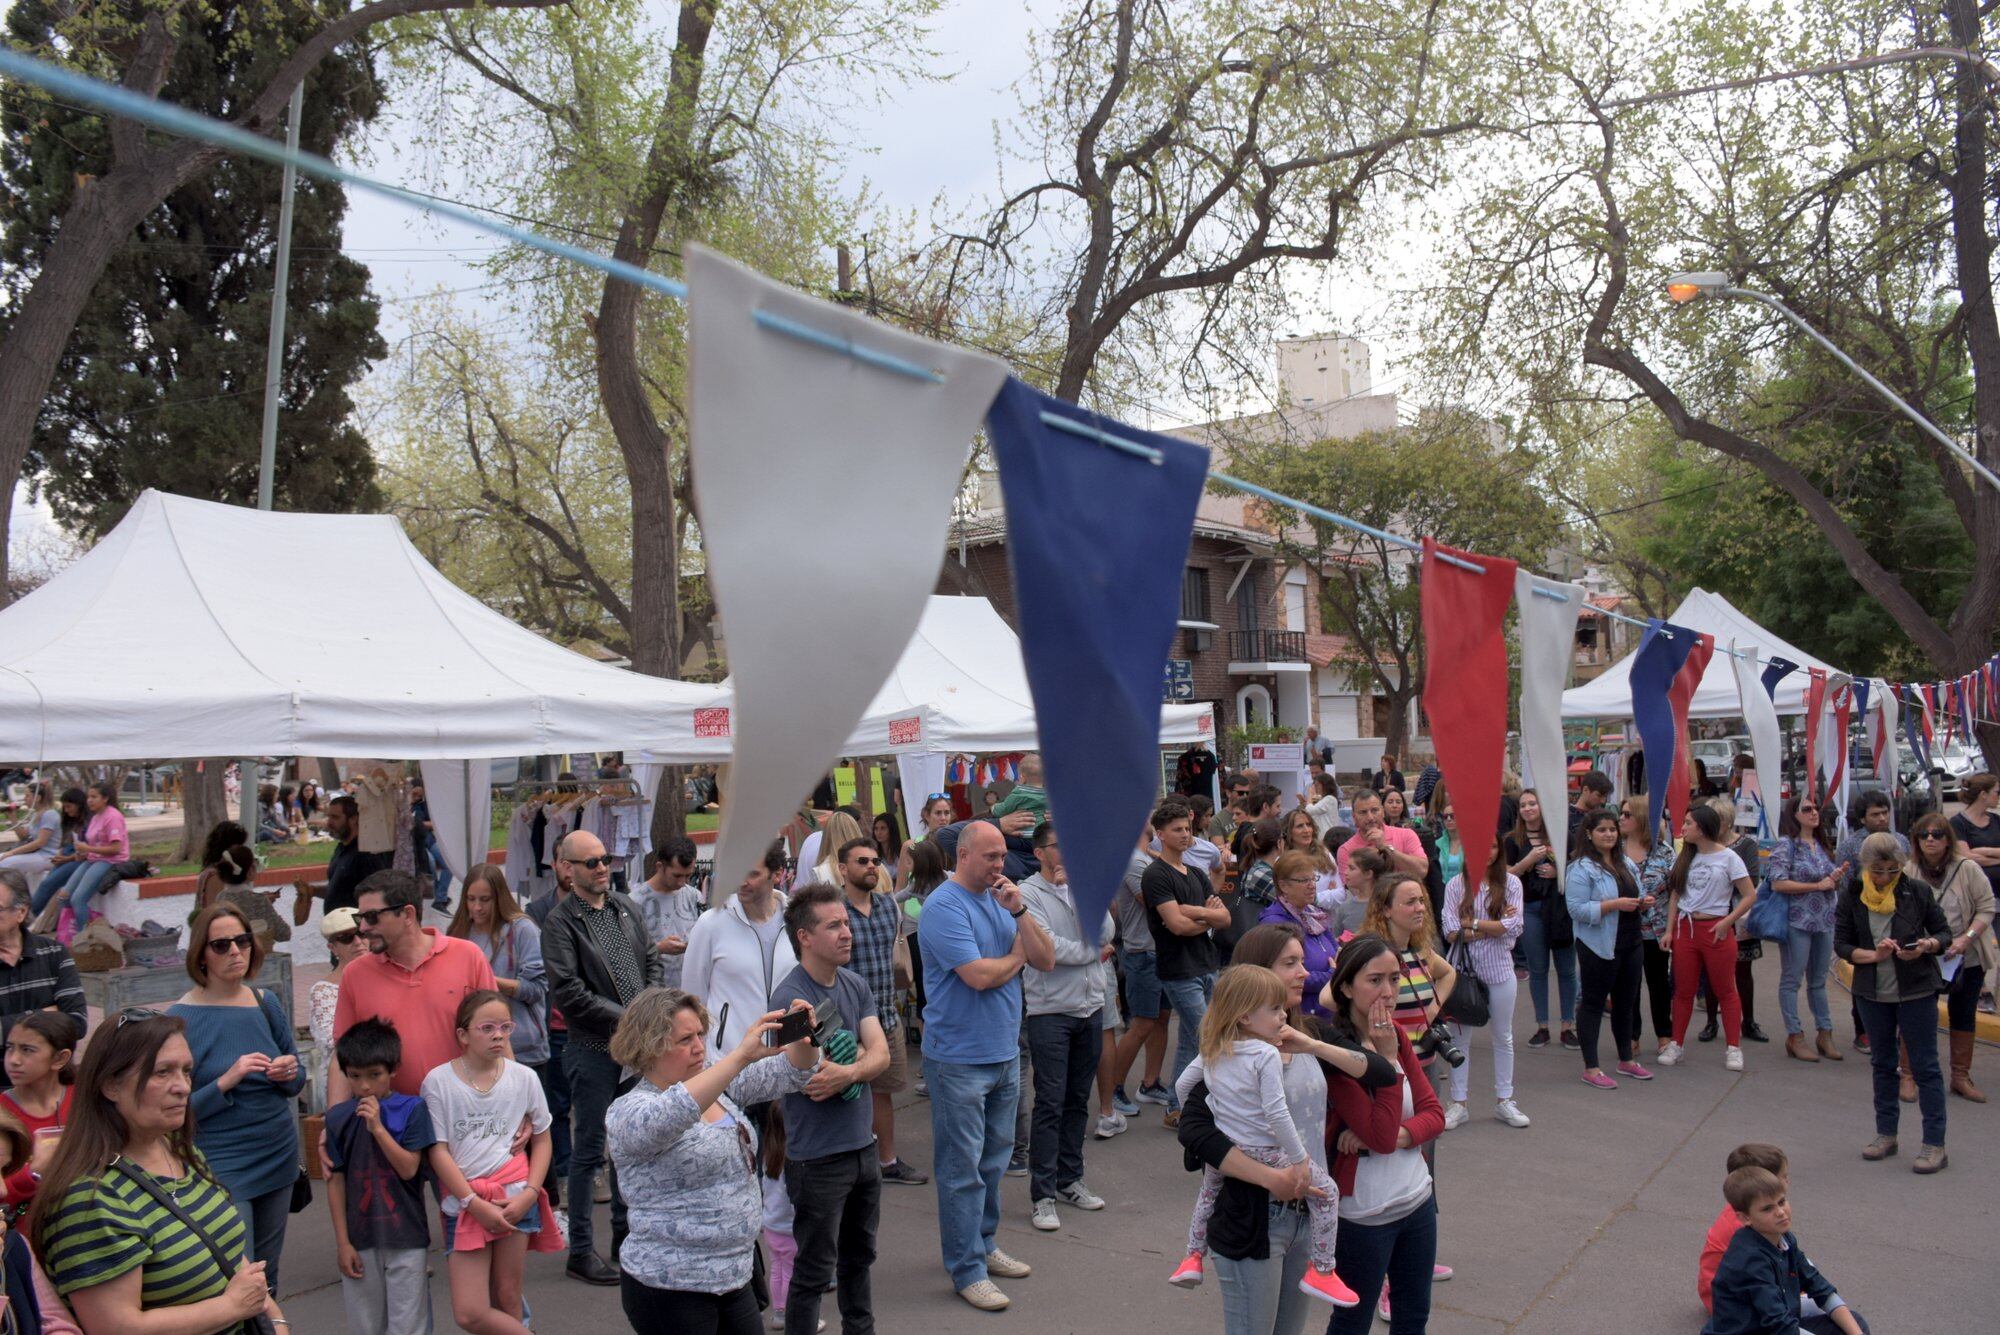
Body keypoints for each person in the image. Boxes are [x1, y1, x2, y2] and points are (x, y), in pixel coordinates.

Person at [32, 1012, 283, 1332]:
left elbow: (229, 1254)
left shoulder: (178, 1149)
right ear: (110, 1084)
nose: (182, 1087)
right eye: (162, 1072)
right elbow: (116, 1327)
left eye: (186, 1071)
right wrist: (230, 1307)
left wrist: (275, 1320)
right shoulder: (88, 1199)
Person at [604, 988, 818, 1334]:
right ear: (650, 1046)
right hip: (672, 1286)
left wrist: (804, 1036)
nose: (698, 1046)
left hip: (733, 1276)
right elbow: (675, 1111)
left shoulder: (719, 1085)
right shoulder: (630, 1110)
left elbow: (793, 1071)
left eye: (700, 1034)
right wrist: (740, 1057)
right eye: (685, 1039)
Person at [916, 820, 1053, 1312]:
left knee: (993, 1162)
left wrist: (1019, 914)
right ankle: (966, 1268)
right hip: (957, 1058)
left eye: (1002, 857)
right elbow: (976, 976)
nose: (1001, 865)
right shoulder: (943, 906)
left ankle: (984, 1244)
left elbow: (1046, 958)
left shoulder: (1003, 900)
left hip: (1003, 1052)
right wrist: (1016, 957)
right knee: (961, 1169)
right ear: (964, 855)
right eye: (991, 856)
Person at [1168, 964, 1357, 1307]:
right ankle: (1323, 1270)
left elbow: (1183, 1085)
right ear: (1244, 1017)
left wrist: (1217, 1109)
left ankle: (1192, 1258)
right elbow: (1276, 1111)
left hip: (1229, 1148)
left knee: (1208, 1195)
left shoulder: (1214, 1049)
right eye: (1274, 1009)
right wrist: (1299, 1158)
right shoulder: (1265, 1053)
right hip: (1266, 1150)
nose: (1283, 1015)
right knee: (1327, 1192)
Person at [541, 828, 665, 1284]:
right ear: (567, 869)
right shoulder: (560, 923)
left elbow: (651, 958)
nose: (600, 867)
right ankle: (580, 1252)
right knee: (589, 1151)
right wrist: (632, 1018)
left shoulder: (625, 907)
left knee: (630, 1147)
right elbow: (569, 994)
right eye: (590, 861)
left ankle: (622, 1237)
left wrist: (648, 1008)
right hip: (593, 1049)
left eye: (605, 859)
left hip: (634, 1049)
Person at [769, 882, 890, 1334]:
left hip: (863, 1148)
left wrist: (852, 1068)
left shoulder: (854, 984)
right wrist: (855, 1060)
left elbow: (881, 1056)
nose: (847, 932)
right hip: (817, 1159)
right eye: (834, 925)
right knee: (815, 1274)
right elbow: (810, 1076)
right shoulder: (790, 998)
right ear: (805, 936)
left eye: (846, 923)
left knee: (859, 1261)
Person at [168, 903, 307, 1294]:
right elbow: (173, 1111)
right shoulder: (181, 1018)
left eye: (242, 941)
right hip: (221, 1162)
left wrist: (288, 1072)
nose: (235, 951)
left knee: (269, 1271)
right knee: (238, 1274)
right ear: (201, 955)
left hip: (276, 1151)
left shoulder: (265, 1001)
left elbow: (298, 1077)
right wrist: (226, 1081)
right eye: (221, 944)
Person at [1321, 936, 1444, 1334]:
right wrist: (1388, 1061)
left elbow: (1434, 1114)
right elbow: (1378, 1132)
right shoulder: (1338, 1052)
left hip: (1417, 1200)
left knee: (1413, 1317)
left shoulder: (1396, 1034)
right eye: (1375, 980)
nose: (1388, 992)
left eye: (1394, 979)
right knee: (1352, 1320)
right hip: (1366, 1216)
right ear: (1345, 987)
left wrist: (1398, 1138)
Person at [421, 990, 557, 1335]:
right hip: (466, 1202)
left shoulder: (523, 1077)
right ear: (462, 1035)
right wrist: (471, 1201)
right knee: (470, 1312)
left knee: (508, 1297)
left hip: (515, 1195)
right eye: (487, 1028)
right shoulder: (438, 1082)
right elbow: (438, 1149)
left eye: (505, 1027)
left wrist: (529, 1193)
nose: (498, 1035)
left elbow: (542, 1137)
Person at [1834, 831, 1951, 1173]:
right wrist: (1873, 955)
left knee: (1925, 1067)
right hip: (1872, 992)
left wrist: (1927, 946)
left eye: (1892, 870)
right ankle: (1887, 1134)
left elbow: (1944, 934)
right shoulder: (1853, 894)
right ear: (1865, 867)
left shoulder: (1916, 891)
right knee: (1882, 1064)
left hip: (1916, 990)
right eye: (1877, 871)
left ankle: (1934, 1144)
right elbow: (1841, 943)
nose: (1884, 878)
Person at [331, 870, 499, 1105]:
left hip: (468, 1114)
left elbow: (497, 1039)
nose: (364, 928)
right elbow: (342, 1058)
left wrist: (514, 1105)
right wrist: (335, 1124)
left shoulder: (468, 956)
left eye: (371, 916)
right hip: (392, 1125)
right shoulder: (355, 974)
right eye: (360, 919)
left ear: (408, 914)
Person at [1018, 822, 1112, 1233]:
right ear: (1040, 852)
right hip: (1050, 1010)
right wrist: (1094, 953)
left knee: (1078, 1099)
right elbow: (1049, 950)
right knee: (1050, 1102)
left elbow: (1108, 930)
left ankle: (1070, 1178)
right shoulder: (1026, 893)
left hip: (1090, 1005)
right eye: (1060, 846)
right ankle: (1042, 1196)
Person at [325, 1019, 440, 1335]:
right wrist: (342, 1243)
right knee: (365, 1324)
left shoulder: (412, 1109)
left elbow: (409, 1168)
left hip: (406, 1234)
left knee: (408, 1325)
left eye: (374, 1075)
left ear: (393, 1069)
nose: (364, 1086)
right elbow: (335, 1181)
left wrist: (377, 1127)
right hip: (360, 1237)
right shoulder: (337, 1118)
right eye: (355, 1076)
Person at [832, 838, 925, 1188]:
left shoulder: (889, 907)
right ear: (843, 869)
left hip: (886, 1018)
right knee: (846, 1094)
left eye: (874, 861)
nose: (871, 866)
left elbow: (914, 898)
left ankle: (886, 1161)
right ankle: (850, 1165)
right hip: (843, 1025)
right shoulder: (832, 910)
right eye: (861, 861)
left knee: (883, 1092)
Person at [1142, 800, 1230, 1129]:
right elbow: (1175, 926)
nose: (1185, 835)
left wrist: (1194, 912)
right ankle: (1207, 1102)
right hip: (1179, 970)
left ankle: (1177, 1104)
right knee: (1208, 1034)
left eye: (1188, 829)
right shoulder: (1155, 876)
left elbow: (1223, 917)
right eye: (1177, 830)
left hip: (1207, 964)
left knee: (1194, 1039)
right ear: (1160, 835)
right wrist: (1202, 917)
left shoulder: (1194, 872)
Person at [1703, 1166, 1868, 1335]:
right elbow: (1779, 1324)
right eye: (1768, 1209)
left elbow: (1819, 1287)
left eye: (1781, 1202)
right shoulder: (1749, 1260)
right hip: (1754, 1330)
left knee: (1854, 1323)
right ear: (1745, 1218)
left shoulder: (1784, 1237)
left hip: (1774, 1324)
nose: (1780, 1212)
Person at [448, 866, 552, 1127]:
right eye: (471, 899)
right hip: (475, 1053)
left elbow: (538, 988)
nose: (478, 908)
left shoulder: (522, 930)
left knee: (529, 1126)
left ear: (499, 897)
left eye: (485, 900)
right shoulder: (458, 932)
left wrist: (488, 981)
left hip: (523, 1048)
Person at [1904, 813, 1995, 1102]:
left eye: (1938, 834)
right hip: (1923, 955)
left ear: (1948, 840)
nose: (1931, 839)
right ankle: (1908, 1075)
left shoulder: (1967, 868)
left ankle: (1960, 1076)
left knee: (1964, 1013)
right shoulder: (1909, 870)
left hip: (1965, 955)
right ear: (1917, 840)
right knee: (1917, 1014)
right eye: (1924, 835)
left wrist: (1965, 938)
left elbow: (1986, 907)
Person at [1659, 804, 1757, 1071]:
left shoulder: (1729, 858)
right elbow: (1675, 896)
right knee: (1683, 990)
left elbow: (1749, 895)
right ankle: (1676, 1044)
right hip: (1686, 929)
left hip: (1716, 929)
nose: (1684, 828)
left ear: (1701, 827)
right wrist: (1669, 930)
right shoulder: (1686, 856)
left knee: (1726, 989)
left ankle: (1733, 1048)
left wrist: (1728, 921)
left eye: (1688, 823)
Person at [1439, 842, 1528, 1124]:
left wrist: (1474, 924)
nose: (1486, 851)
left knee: (1503, 1036)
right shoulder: (1456, 884)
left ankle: (1505, 1100)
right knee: (1459, 1038)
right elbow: (1451, 931)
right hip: (1463, 972)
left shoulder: (1511, 882)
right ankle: (1459, 1102)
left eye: (1492, 845)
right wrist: (1493, 926)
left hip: (1500, 970)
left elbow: (1513, 927)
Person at [682, 840, 799, 1055]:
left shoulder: (798, 920)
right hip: (727, 1060)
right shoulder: (710, 924)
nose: (742, 882)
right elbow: (692, 998)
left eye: (752, 874)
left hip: (787, 1060)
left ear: (777, 874)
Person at [1566, 811, 1652, 1091]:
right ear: (1589, 834)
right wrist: (1613, 905)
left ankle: (1626, 1059)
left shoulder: (1625, 861)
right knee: (1592, 1003)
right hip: (1598, 945)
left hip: (1631, 942)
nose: (1609, 834)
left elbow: (1634, 895)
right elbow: (1576, 909)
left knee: (1626, 1003)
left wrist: (1643, 902)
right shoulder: (1581, 867)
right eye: (1602, 830)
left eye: (1613, 829)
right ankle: (1591, 1067)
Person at [1765, 795, 1845, 1064]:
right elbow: (1777, 883)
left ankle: (1825, 1033)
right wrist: (1817, 886)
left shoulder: (1821, 844)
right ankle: (1795, 1035)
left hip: (1824, 919)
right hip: (1797, 920)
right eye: (1806, 809)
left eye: (1816, 808)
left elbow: (1826, 881)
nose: (1813, 812)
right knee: (1792, 979)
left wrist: (1833, 879)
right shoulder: (1786, 846)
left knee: (1819, 980)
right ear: (1794, 815)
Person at [1832, 791, 1906, 1052]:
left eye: (1885, 812)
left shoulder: (1900, 842)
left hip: (1896, 916)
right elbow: (1847, 886)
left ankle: (1897, 1032)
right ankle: (1863, 1031)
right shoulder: (1852, 845)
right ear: (1863, 818)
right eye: (1875, 814)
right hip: (1863, 917)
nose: (1882, 818)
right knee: (1865, 977)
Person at [1506, 790, 1576, 1051]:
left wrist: (1559, 871)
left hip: (1560, 908)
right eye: (1523, 805)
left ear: (1542, 805)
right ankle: (1542, 1026)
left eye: (1532, 803)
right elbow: (1507, 875)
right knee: (1538, 969)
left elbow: (1579, 865)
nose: (1527, 808)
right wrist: (1529, 860)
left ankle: (1568, 1026)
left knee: (1567, 969)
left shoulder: (1561, 835)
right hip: (1531, 908)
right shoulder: (1513, 840)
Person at [0, 869, 88, 1078]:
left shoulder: (54, 954)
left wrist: (8, 1027)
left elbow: (77, 1023)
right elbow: (63, 1022)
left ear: (21, 912)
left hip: (52, 1089)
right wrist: (46, 1014)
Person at [1696, 797, 1770, 1045]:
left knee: (1742, 971)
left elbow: (1750, 879)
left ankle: (1747, 1021)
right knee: (1712, 971)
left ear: (1726, 822)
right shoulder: (1701, 845)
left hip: (1739, 916)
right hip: (1710, 915)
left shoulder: (1745, 845)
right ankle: (1711, 1021)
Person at [1106, 833, 1171, 1114]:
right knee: (1142, 1022)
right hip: (1142, 952)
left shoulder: (1147, 858)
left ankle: (1150, 1083)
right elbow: (1158, 904)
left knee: (1161, 1018)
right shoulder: (1133, 860)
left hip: (1161, 950)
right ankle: (1112, 1088)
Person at [1697, 1142, 1788, 1316]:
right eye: (1783, 1176)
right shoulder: (1747, 1228)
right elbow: (1764, 1274)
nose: (1787, 1181)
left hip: (1730, 1292)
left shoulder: (1748, 1212)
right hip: (1730, 1304)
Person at [2, 1011, 77, 1215]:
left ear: (60, 1058)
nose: (14, 1060)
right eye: (10, 1048)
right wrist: (33, 1172)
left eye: (27, 1050)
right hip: (23, 1234)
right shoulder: (2, 1112)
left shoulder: (83, 1100)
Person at [28, 782, 126, 928]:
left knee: (78, 899)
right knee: (64, 896)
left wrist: (86, 849)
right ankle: (70, 932)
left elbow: (116, 848)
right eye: (89, 797)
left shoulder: (112, 817)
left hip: (108, 860)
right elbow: (89, 845)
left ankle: (85, 939)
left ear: (105, 798)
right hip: (90, 858)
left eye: (94, 797)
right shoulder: (95, 817)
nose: (90, 800)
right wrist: (82, 852)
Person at [1259, 852, 1339, 1022]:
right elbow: (1283, 976)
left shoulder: (1315, 915)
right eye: (1303, 880)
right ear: (1284, 886)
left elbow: (1337, 952)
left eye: (1313, 878)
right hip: (1301, 1017)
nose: (1312, 885)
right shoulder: (1275, 923)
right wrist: (1332, 975)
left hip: (1329, 1012)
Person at [1335, 791, 1427, 887]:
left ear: (1383, 812)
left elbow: (1422, 871)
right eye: (1363, 812)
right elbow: (1352, 889)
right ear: (1354, 817)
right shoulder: (1346, 850)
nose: (1370, 817)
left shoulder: (1406, 834)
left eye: (1375, 810)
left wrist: (1385, 847)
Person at [1221, 821, 1282, 967]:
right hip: (1259, 940)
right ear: (1279, 843)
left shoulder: (1260, 868)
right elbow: (1290, 899)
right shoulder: (1260, 873)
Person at [321, 795, 395, 914]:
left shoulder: (367, 854)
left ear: (354, 819)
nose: (329, 823)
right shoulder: (341, 848)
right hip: (338, 928)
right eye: (328, 817)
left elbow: (377, 896)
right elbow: (339, 890)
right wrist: (312, 891)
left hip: (356, 928)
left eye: (335, 817)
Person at [310, 908, 365, 1057]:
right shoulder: (323, 991)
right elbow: (330, 1041)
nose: (358, 942)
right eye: (346, 938)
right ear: (333, 948)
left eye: (362, 933)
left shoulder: (388, 973)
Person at [0, 782, 62, 886]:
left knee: (5, 863)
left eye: (27, 795)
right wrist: (13, 818)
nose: (24, 798)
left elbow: (40, 842)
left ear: (37, 797)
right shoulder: (35, 814)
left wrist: (12, 852)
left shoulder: (49, 814)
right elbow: (24, 836)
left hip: (48, 856)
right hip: (37, 854)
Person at [1281, 809, 1337, 903]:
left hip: (1328, 916)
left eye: (1309, 825)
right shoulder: (1282, 861)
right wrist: (1327, 895)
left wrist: (1314, 898)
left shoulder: (1324, 853)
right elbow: (1288, 899)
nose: (1306, 830)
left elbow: (1340, 894)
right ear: (1288, 831)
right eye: (1300, 826)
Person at [991, 754, 1048, 822]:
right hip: (1045, 830)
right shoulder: (1049, 794)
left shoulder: (1019, 793)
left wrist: (994, 808)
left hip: (1025, 830)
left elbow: (1004, 809)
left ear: (1022, 777)